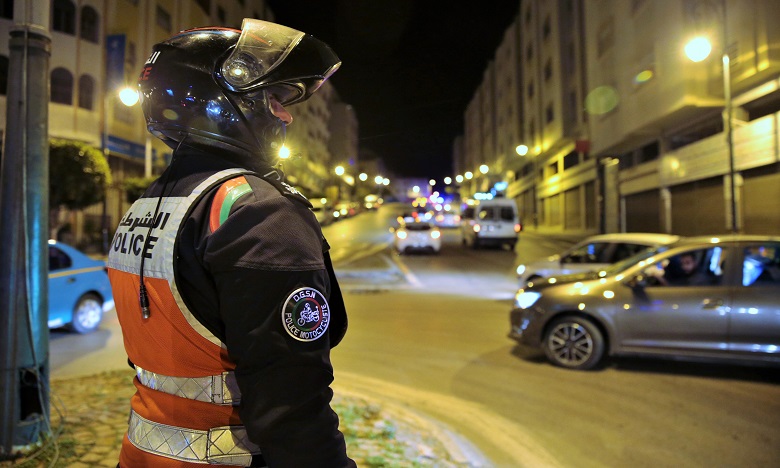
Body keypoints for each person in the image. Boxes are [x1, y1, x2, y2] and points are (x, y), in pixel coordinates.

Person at [106, 18, 355, 467]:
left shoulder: (148, 203)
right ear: (222, 100)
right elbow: (292, 402)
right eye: (275, 98)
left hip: (141, 455)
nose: (287, 114)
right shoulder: (259, 213)